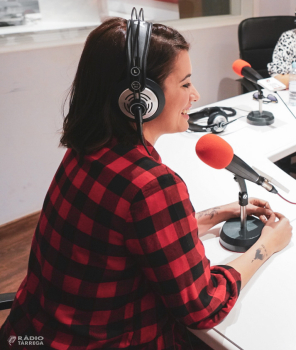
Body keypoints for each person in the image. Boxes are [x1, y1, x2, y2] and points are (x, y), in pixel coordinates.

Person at [0, 15, 292, 350]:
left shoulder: (87, 149)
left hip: (28, 334)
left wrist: (210, 216)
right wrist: (267, 244)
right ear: (141, 99)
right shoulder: (151, 186)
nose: (196, 95)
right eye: (184, 84)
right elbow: (202, 306)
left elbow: (122, 239)